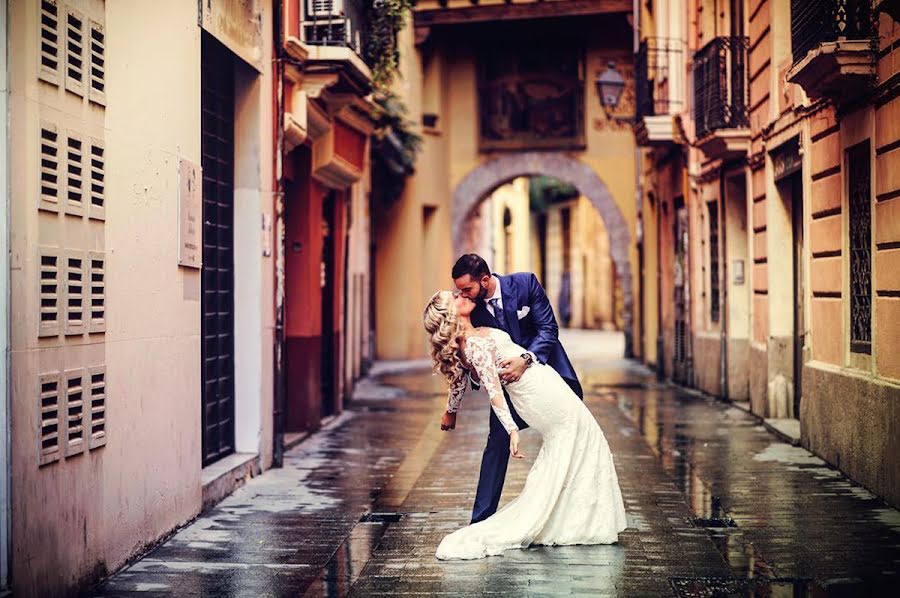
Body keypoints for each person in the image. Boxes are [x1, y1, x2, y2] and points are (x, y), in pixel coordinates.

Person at [422, 293, 627, 560]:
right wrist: (512, 430)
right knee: (575, 434)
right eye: (456, 297)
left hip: (542, 384)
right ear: (451, 313)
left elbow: (458, 383)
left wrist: (450, 412)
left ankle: (571, 517)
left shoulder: (470, 339)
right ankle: (569, 519)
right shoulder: (474, 345)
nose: (462, 295)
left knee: (574, 439)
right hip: (537, 393)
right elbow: (494, 392)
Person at [447, 254, 582, 524]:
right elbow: (471, 360)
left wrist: (526, 360)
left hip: (548, 377)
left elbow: (548, 328)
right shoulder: (472, 309)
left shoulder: (525, 284)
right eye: (458, 290)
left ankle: (567, 513)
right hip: (508, 391)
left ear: (484, 280)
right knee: (496, 442)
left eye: (466, 289)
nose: (461, 295)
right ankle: (480, 521)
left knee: (569, 438)